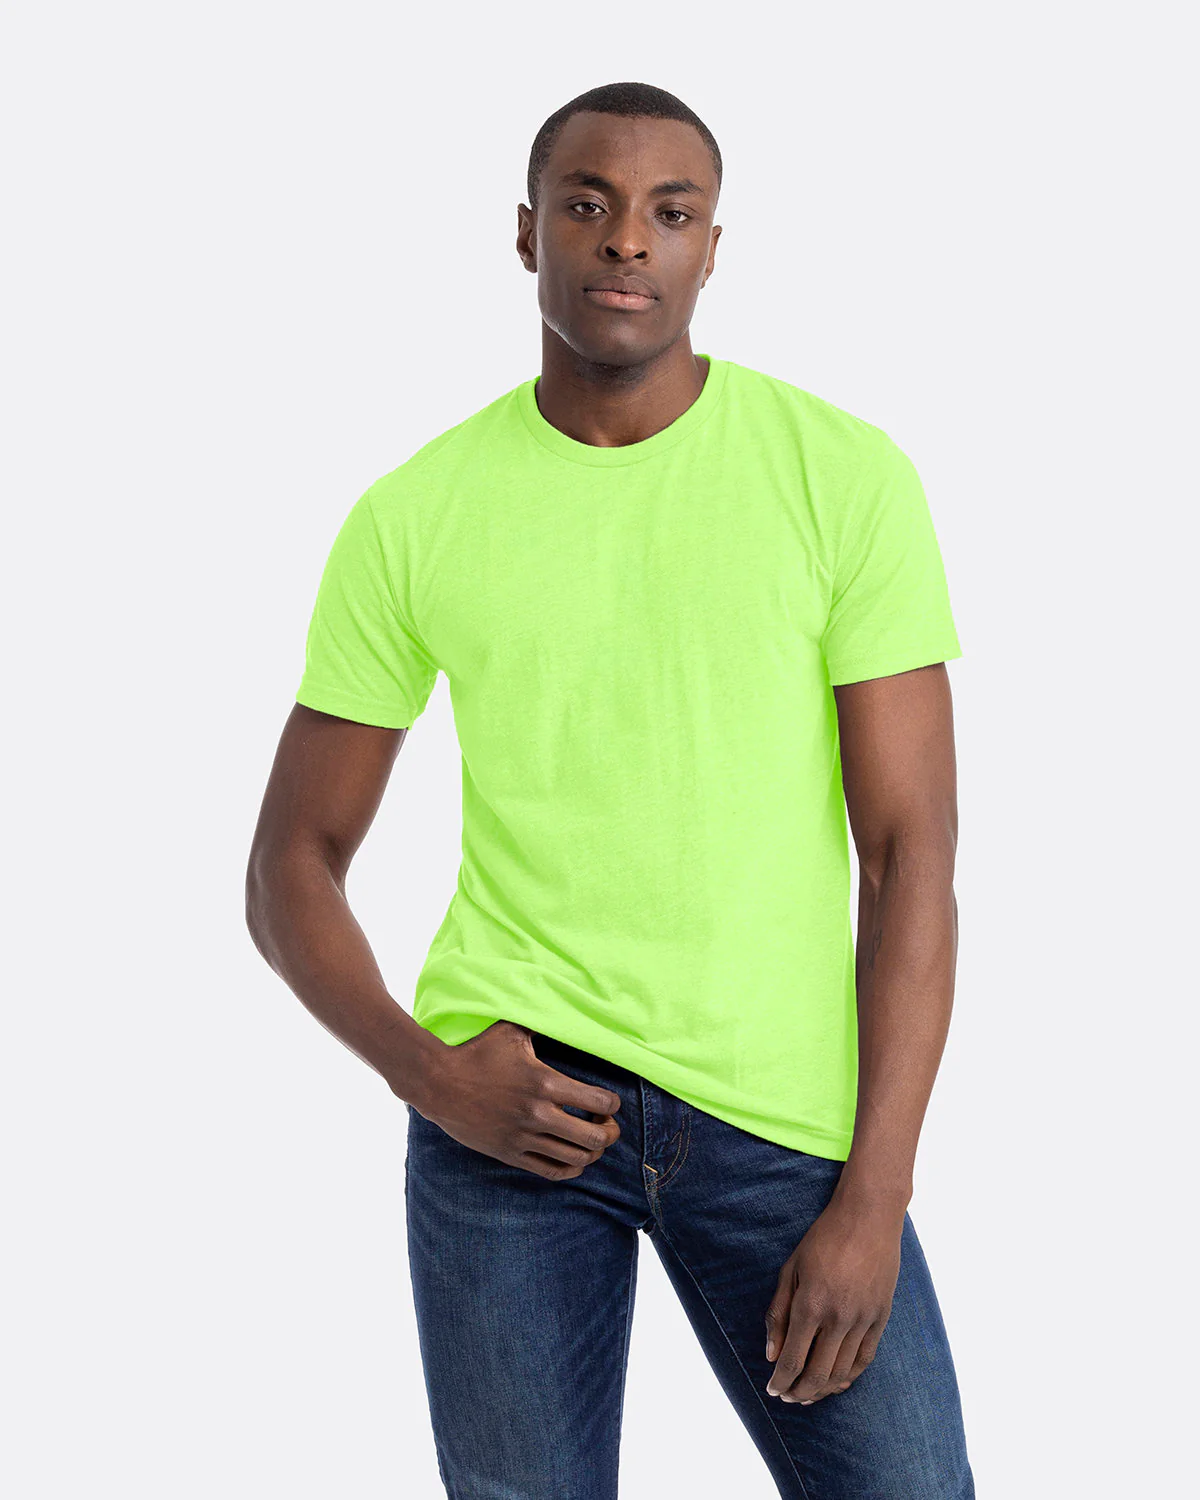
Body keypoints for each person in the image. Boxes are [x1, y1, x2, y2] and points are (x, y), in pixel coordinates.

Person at [246, 80, 975, 1500]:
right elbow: (291, 862)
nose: (627, 238)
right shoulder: (416, 513)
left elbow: (910, 857)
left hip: (783, 1125)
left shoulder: (842, 478)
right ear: (529, 235)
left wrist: (877, 1190)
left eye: (669, 212)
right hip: (512, 1113)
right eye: (587, 204)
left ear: (711, 249)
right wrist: (429, 1075)